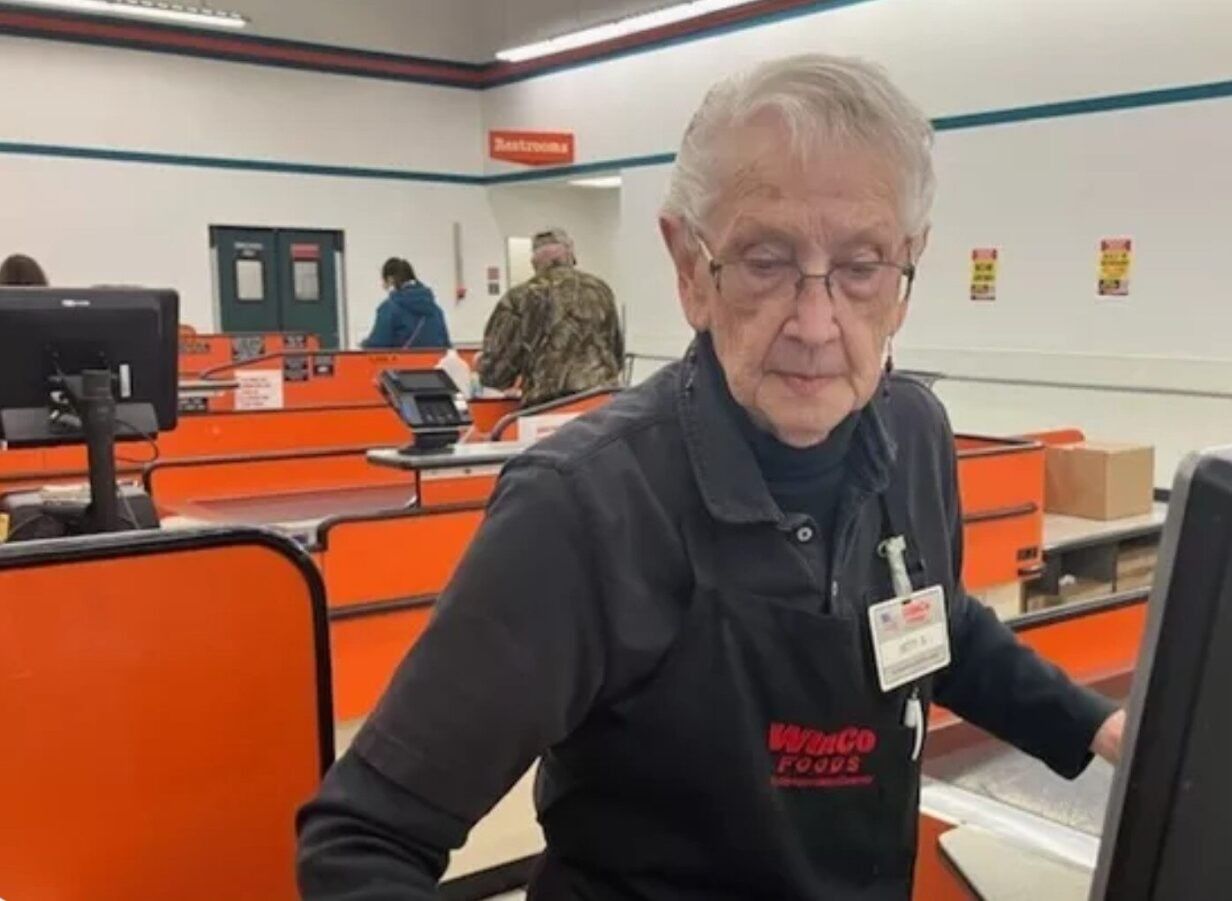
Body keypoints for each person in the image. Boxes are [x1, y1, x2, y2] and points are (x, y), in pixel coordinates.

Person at [297, 54, 1124, 900]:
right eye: (765, 259)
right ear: (691, 267)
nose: (815, 322)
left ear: (907, 273)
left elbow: (925, 619)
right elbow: (359, 841)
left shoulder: (912, 433)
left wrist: (1097, 725)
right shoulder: (585, 507)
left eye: (861, 265)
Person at [476, 228, 623, 406]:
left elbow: (495, 374)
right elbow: (617, 354)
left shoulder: (518, 298)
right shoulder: (600, 290)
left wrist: (483, 366)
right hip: (604, 403)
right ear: (571, 256)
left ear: (534, 262)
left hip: (549, 409)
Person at [360, 257, 451, 349]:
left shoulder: (389, 309)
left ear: (390, 279)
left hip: (401, 363)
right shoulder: (436, 310)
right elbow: (446, 346)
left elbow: (377, 346)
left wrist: (365, 344)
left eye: (384, 282)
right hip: (432, 363)